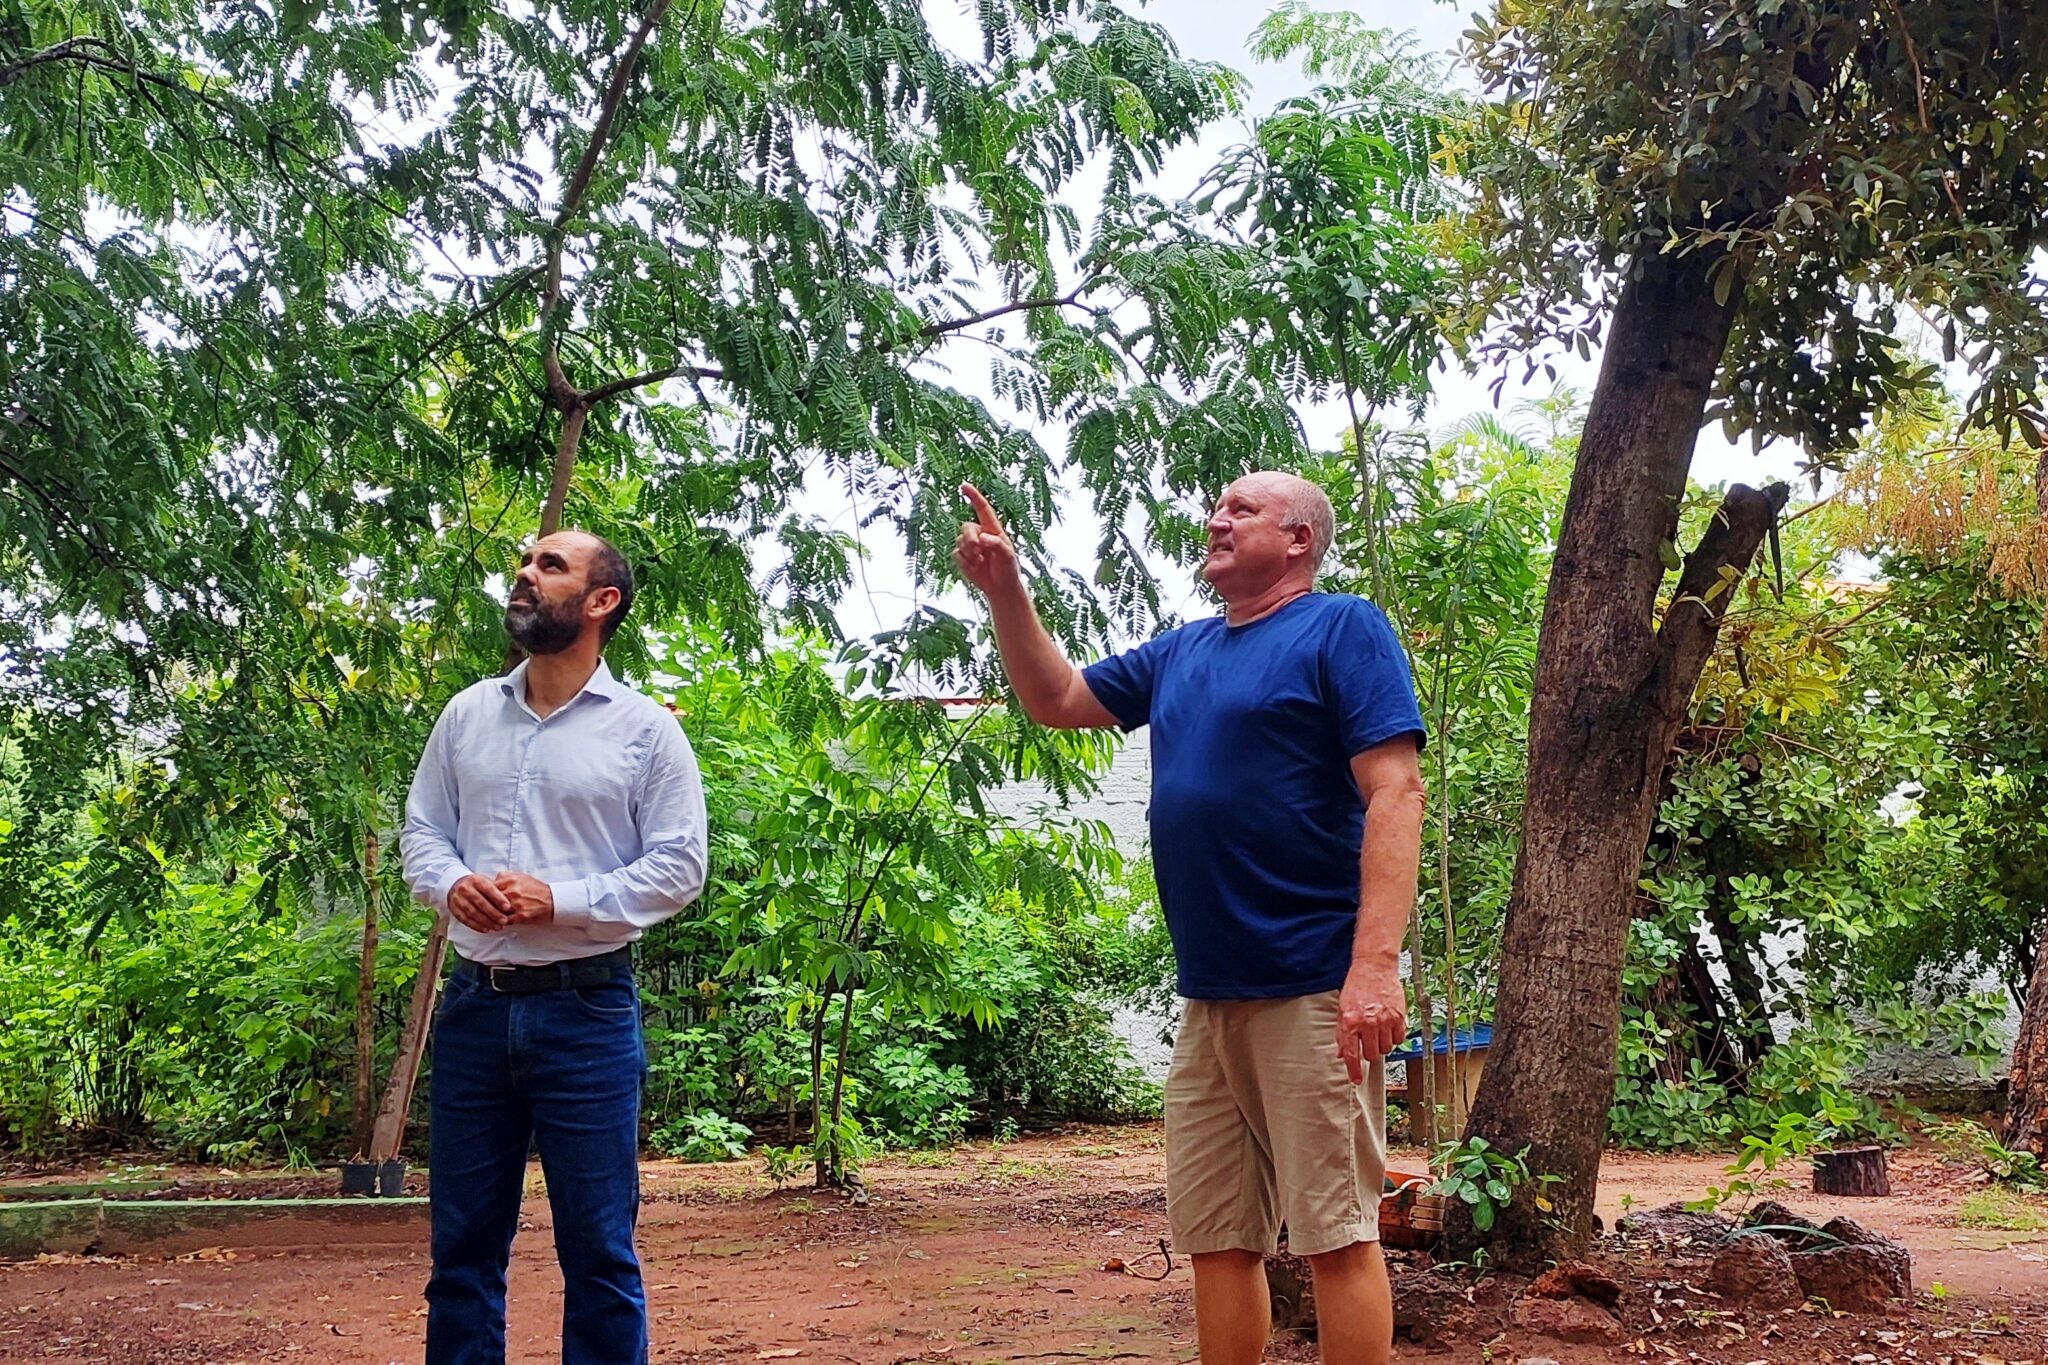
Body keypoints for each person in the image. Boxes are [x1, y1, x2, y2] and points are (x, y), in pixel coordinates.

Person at [954, 473, 1425, 1365]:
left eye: (1242, 509)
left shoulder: (1342, 626)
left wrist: (1375, 965)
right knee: (1218, 1235)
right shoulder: (1183, 650)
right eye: (1216, 506)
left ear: (1299, 539)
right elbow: (1057, 700)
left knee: (1335, 1230)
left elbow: (1396, 791)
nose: (1216, 518)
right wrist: (1006, 591)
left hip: (1313, 985)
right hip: (1210, 995)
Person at [400, 529, 708, 1365]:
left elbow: (679, 868)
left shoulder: (646, 732)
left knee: (599, 1253)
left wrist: (557, 898)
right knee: (461, 1254)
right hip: (473, 1007)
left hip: (588, 1013)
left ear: (602, 601)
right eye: (525, 562)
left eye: (550, 565)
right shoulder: (467, 714)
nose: (524, 574)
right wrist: (450, 883)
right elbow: (423, 832)